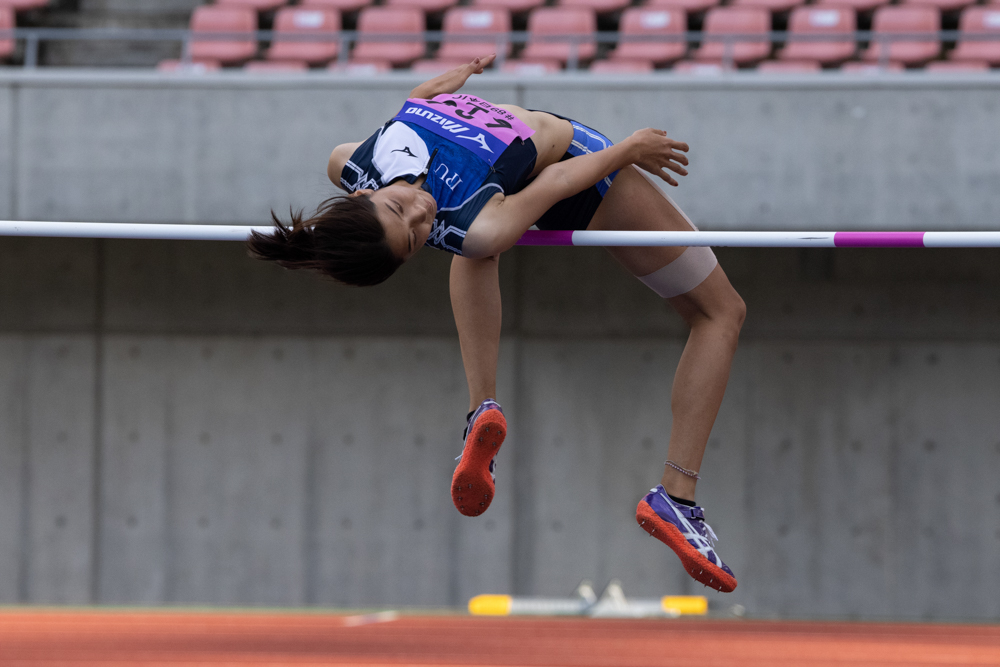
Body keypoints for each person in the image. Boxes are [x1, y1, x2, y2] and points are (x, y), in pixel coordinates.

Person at [249, 55, 746, 593]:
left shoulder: (348, 160)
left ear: (362, 191)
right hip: (582, 171)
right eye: (416, 237)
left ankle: (482, 408)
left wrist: (452, 79)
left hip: (507, 195)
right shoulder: (411, 191)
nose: (419, 209)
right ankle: (676, 495)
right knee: (720, 311)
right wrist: (628, 149)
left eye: (400, 209)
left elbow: (418, 100)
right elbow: (557, 178)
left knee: (472, 240)